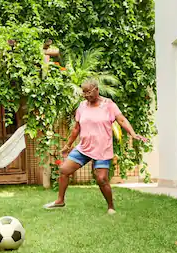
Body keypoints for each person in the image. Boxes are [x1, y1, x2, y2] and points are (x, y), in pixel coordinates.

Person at [43, 79, 147, 214]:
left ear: (97, 90)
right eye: (84, 92)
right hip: (84, 147)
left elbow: (121, 119)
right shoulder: (82, 106)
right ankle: (60, 201)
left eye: (89, 92)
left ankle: (111, 207)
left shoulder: (108, 105)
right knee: (64, 170)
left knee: (101, 179)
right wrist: (68, 145)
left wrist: (132, 133)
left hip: (102, 149)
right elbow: (76, 128)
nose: (86, 95)